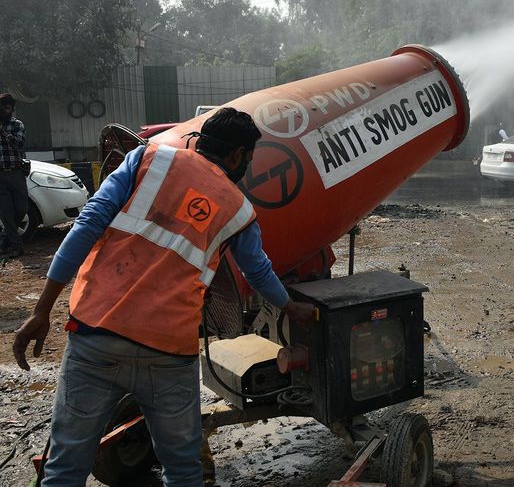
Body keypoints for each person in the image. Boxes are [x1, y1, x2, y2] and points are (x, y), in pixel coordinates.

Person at [12, 107, 316, 485]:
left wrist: (43, 310)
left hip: (96, 334)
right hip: (168, 352)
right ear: (237, 156)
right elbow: (258, 273)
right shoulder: (240, 210)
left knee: (65, 465)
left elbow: (88, 223)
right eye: (249, 160)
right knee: (182, 468)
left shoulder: (148, 157)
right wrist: (291, 306)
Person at [0, 93, 28, 258]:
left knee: (21, 209)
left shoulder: (17, 125)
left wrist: (3, 132)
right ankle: (17, 247)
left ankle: (4, 238)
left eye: (7, 108)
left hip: (15, 173)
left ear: (12, 109)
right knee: (5, 213)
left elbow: (19, 144)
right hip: (0, 176)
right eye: (1, 108)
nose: (3, 111)